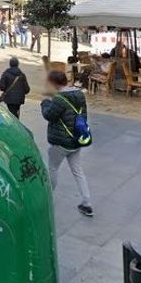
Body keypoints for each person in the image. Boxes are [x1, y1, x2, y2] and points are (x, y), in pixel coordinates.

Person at [40, 70, 93, 218]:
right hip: (76, 140)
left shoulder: (59, 99)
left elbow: (49, 115)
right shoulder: (80, 94)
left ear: (54, 83)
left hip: (61, 142)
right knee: (78, 171)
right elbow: (83, 116)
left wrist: (45, 103)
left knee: (52, 169)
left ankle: (47, 199)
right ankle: (87, 202)